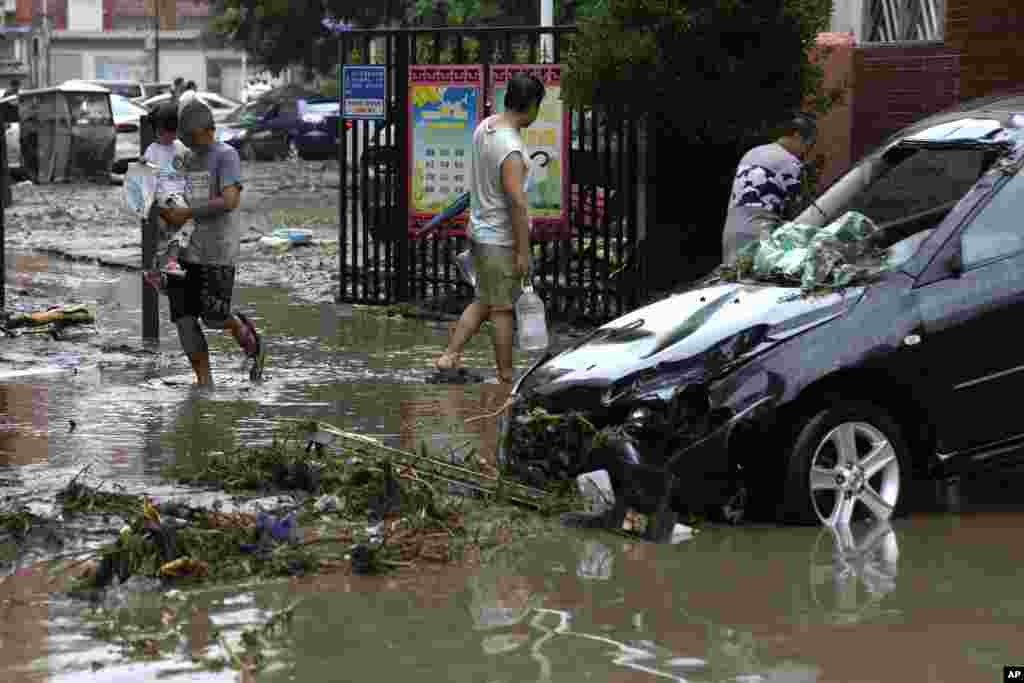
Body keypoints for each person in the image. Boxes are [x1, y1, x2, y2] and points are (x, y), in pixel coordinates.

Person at [434, 72, 546, 384]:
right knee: (502, 310)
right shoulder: (509, 147)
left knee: (484, 300)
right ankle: (506, 378)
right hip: (499, 238)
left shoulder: (487, 127)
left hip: (480, 231)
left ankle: (450, 356)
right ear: (533, 105)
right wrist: (523, 252)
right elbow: (517, 204)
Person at [159, 97, 266, 385]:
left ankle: (240, 328)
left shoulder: (226, 155)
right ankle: (204, 384)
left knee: (213, 317)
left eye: (194, 137)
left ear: (209, 130)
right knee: (183, 319)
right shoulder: (185, 159)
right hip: (184, 252)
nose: (191, 143)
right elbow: (172, 196)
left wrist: (187, 212)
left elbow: (230, 200)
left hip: (217, 251)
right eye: (186, 138)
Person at [722, 112, 818, 263]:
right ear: (798, 136)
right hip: (759, 237)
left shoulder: (752, 153)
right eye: (807, 145)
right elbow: (800, 213)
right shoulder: (790, 162)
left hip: (732, 233)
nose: (805, 151)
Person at [142, 102, 191, 278]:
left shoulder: (180, 147)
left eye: (170, 132)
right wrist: (150, 205)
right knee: (174, 221)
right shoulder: (152, 150)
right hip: (165, 197)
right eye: (161, 133)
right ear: (156, 130)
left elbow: (192, 165)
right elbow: (147, 181)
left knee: (187, 225)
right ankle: (167, 262)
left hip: (181, 196)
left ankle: (169, 263)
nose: (166, 136)